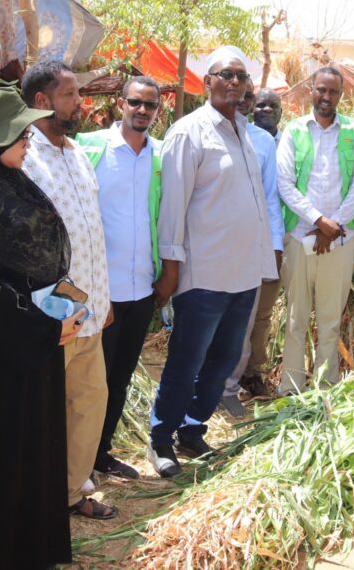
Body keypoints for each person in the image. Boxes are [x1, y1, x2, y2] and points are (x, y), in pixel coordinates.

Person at [148, 48, 275, 477]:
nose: (235, 82)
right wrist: (171, 267)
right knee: (186, 362)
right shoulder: (189, 133)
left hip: (243, 274)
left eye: (241, 76)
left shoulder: (245, 132)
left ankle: (192, 428)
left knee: (222, 363)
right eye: (226, 74)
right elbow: (173, 206)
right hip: (203, 274)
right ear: (207, 82)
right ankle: (161, 438)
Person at [0, 87, 81, 569]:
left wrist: (60, 310)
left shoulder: (15, 183)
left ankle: (34, 550)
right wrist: (40, 326)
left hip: (41, 335)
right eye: (21, 134)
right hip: (10, 346)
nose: (29, 140)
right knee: (9, 451)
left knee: (38, 445)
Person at [21, 57, 116, 520]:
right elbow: (23, 249)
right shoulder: (24, 156)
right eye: (70, 95)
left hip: (90, 313)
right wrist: (51, 315)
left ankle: (71, 492)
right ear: (42, 100)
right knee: (42, 414)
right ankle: (35, 501)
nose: (81, 102)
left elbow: (92, 230)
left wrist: (103, 298)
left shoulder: (76, 153)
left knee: (89, 403)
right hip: (51, 318)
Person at [75, 76, 163, 480]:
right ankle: (77, 461)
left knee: (120, 378)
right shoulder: (90, 149)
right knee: (90, 383)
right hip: (100, 291)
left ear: (157, 110)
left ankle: (100, 454)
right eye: (135, 102)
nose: (142, 110)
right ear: (121, 104)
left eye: (150, 105)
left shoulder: (159, 156)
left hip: (141, 288)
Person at [276, 67, 354, 394]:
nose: (326, 96)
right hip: (300, 237)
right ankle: (291, 389)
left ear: (341, 95)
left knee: (330, 320)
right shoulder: (294, 130)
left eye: (333, 91)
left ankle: (325, 390)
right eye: (321, 90)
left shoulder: (353, 131)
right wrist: (319, 221)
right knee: (296, 317)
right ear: (311, 90)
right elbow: (285, 184)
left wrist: (333, 226)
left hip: (340, 239)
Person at [219, 83, 284, 417]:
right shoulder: (203, 133)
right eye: (242, 97)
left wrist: (275, 245)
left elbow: (271, 199)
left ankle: (229, 387)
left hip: (253, 246)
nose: (244, 102)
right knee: (209, 318)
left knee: (244, 321)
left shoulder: (264, 143)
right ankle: (201, 385)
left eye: (249, 97)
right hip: (214, 244)